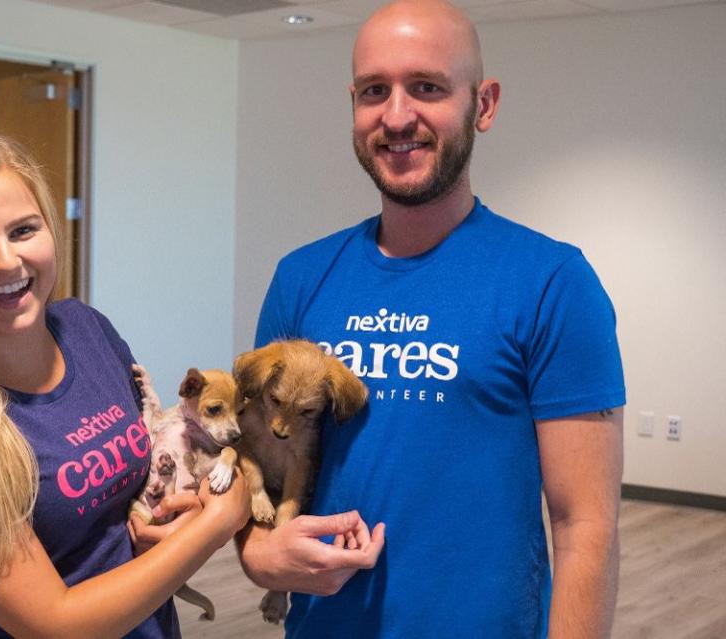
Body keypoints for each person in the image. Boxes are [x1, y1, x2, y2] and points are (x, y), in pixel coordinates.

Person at [237, 1, 626, 637]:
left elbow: (585, 526)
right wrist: (258, 554)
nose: (396, 116)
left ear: (485, 104)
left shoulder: (552, 282)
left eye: (427, 87)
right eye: (373, 91)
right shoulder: (301, 278)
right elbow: (264, 459)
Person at [0, 135, 251, 638]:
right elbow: (57, 624)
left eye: (24, 230)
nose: (7, 261)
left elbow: (128, 507)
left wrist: (166, 522)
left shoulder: (85, 328)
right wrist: (217, 523)